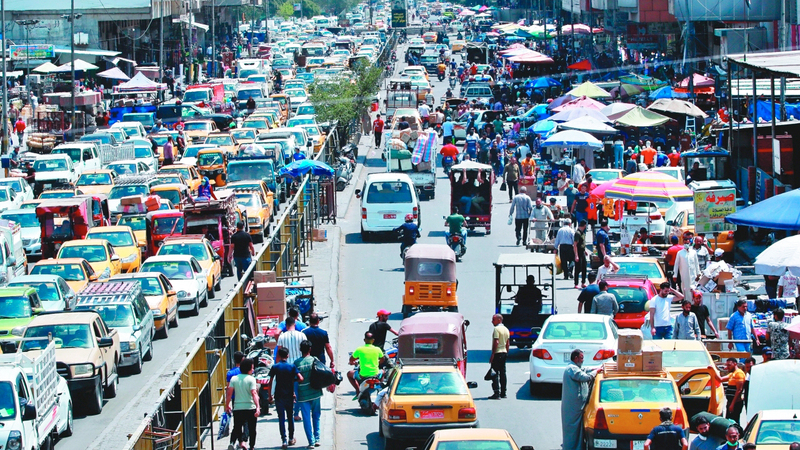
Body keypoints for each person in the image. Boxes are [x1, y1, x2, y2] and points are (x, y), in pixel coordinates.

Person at [561, 349, 600, 450]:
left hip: (578, 407)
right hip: (573, 408)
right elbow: (585, 377)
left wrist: (596, 368)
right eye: (581, 358)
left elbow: (585, 369)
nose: (583, 360)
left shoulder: (576, 368)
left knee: (578, 430)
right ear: (576, 358)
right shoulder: (571, 369)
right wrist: (596, 371)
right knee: (573, 430)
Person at [267, 347, 303, 449]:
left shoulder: (275, 367)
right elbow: (300, 378)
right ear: (287, 355)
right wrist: (292, 381)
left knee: (281, 418)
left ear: (279, 355)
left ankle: (284, 440)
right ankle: (291, 438)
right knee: (290, 417)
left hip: (279, 395)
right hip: (289, 395)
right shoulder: (291, 367)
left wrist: (270, 395)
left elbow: (270, 382)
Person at [225, 358, 260, 450]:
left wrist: (227, 405)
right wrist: (258, 407)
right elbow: (254, 393)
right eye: (252, 368)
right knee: (252, 429)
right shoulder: (251, 379)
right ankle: (251, 447)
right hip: (250, 407)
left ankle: (238, 442)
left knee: (237, 427)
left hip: (238, 408)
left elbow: (229, 393)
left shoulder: (234, 379)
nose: (253, 370)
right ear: (248, 369)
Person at [294, 341, 322, 449]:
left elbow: (294, 380)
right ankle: (317, 438)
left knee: (306, 419)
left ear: (300, 350)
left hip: (303, 395)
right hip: (316, 392)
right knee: (316, 416)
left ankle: (311, 442)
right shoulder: (315, 360)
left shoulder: (296, 363)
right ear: (310, 349)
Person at [712, 359, 746, 424]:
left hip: (736, 403)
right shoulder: (732, 374)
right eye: (727, 365)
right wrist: (713, 370)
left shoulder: (739, 373)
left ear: (735, 364)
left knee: (734, 421)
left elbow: (739, 390)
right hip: (730, 402)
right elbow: (720, 379)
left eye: (729, 365)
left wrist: (732, 404)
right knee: (728, 421)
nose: (728, 367)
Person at [488, 314, 509, 399]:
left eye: (493, 319)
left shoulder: (496, 329)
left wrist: (493, 354)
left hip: (497, 353)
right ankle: (503, 392)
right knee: (503, 373)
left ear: (499, 320)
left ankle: (496, 392)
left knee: (494, 373)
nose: (492, 321)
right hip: (504, 353)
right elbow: (508, 343)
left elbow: (496, 342)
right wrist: (506, 352)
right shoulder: (506, 329)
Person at [573, 220, 589, 289]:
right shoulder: (577, 233)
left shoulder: (582, 233)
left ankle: (583, 282)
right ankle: (576, 283)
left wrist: (585, 251)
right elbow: (575, 245)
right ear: (584, 225)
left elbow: (582, 243)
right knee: (577, 268)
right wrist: (576, 255)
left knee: (584, 267)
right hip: (578, 252)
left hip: (582, 252)